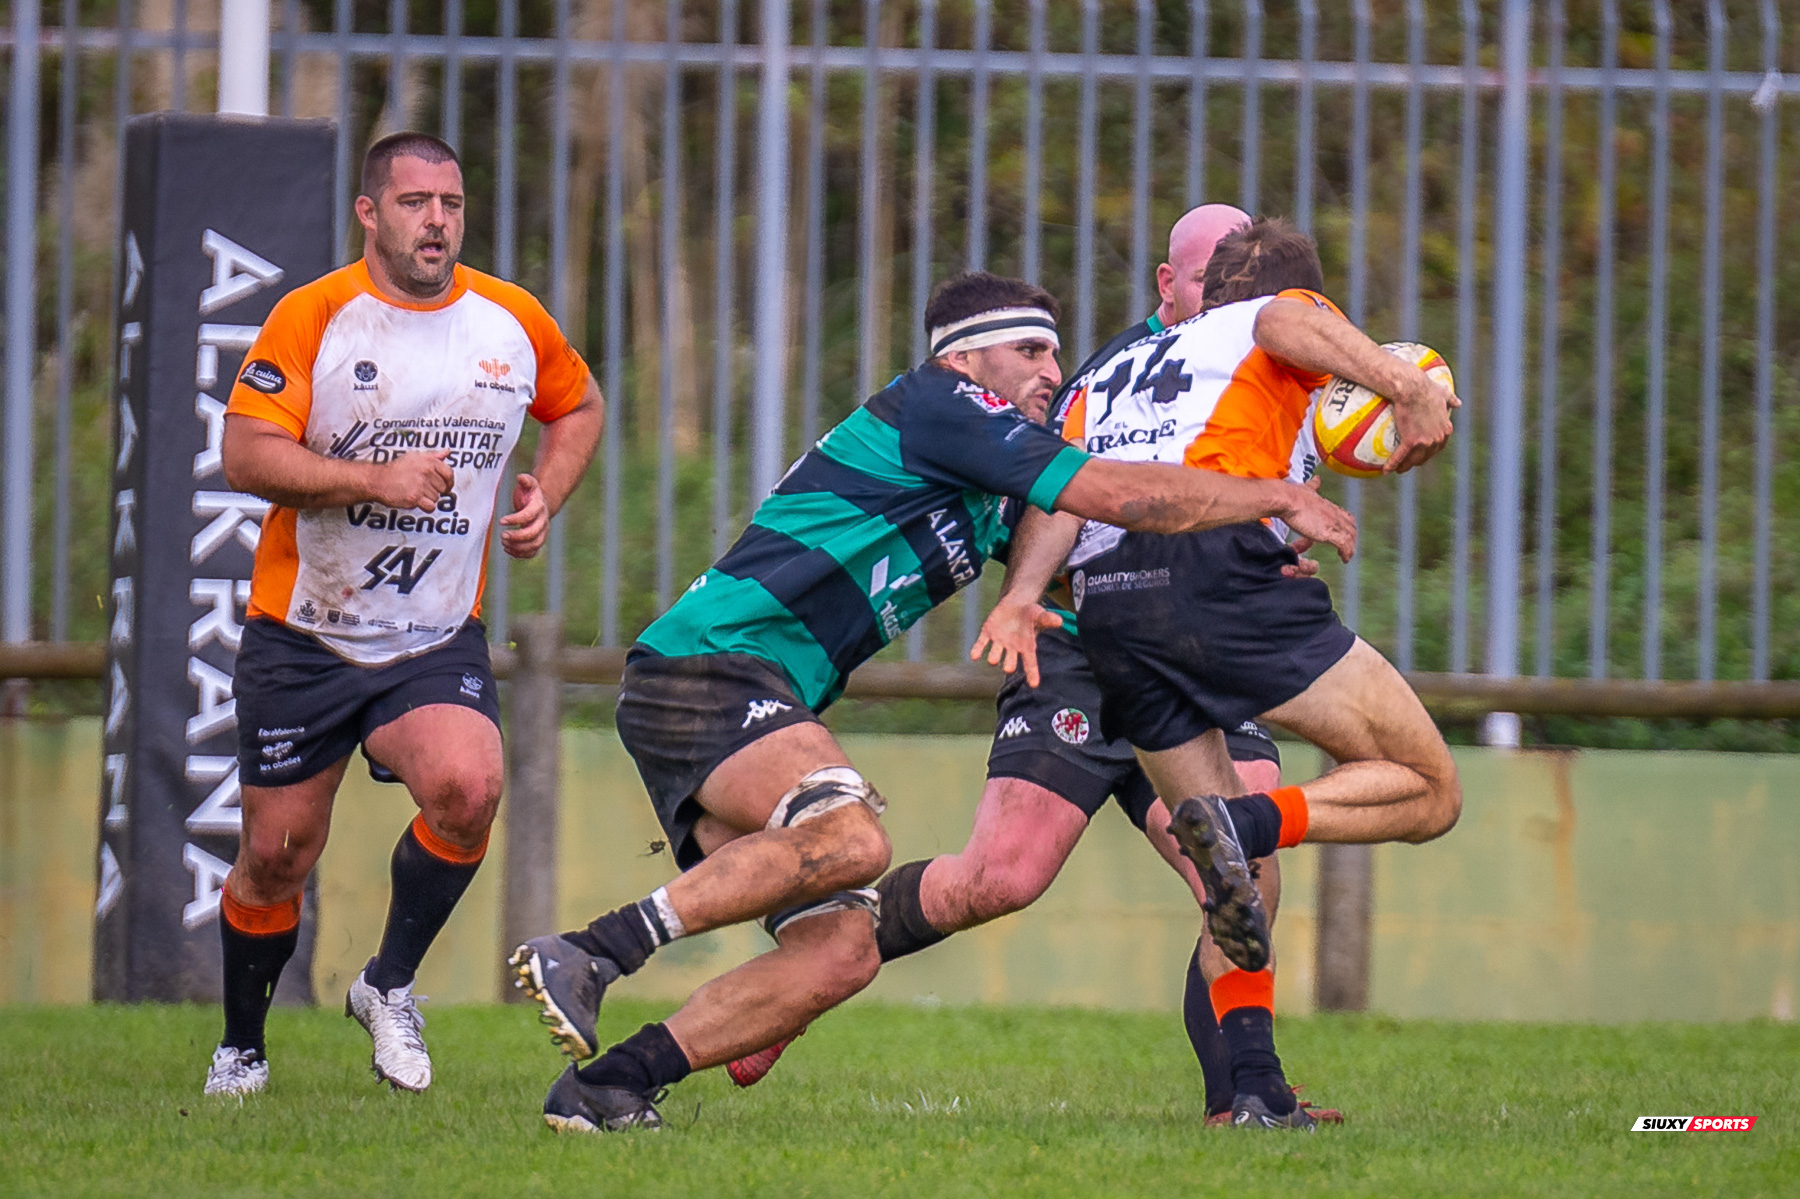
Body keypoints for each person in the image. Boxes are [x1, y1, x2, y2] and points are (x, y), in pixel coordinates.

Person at [508, 270, 1358, 1133]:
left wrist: (1244, 562)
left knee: (838, 954)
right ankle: (590, 950)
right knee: (852, 836)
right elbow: (1106, 490)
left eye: (1056, 352)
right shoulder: (942, 407)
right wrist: (1277, 495)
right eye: (1029, 350)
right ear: (963, 357)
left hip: (749, 691)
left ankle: (610, 1085)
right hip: (712, 662)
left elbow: (1089, 553)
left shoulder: (989, 477)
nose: (1049, 371)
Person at [726, 203, 1341, 1131]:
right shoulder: (1108, 375)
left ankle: (1247, 1093)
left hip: (1187, 648)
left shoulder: (1261, 368)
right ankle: (805, 962)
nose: (1230, 290)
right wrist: (1026, 595)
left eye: (1241, 272)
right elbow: (1062, 497)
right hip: (1082, 648)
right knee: (1000, 878)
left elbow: (1266, 487)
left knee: (1241, 867)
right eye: (1210, 273)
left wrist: (1277, 533)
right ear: (1169, 287)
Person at [984, 217, 1461, 1128]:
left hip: (1109, 606)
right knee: (1430, 790)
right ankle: (1239, 819)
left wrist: (1023, 593)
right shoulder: (1274, 316)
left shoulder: (1110, 371)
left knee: (1227, 893)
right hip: (1216, 581)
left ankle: (1253, 1093)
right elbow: (1286, 321)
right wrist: (1403, 384)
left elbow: (1066, 488)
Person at [203, 131, 604, 1098]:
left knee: (469, 788)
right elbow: (247, 454)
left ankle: (387, 984)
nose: (437, 221)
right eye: (417, 201)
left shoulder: (510, 319)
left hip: (430, 636)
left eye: (452, 204)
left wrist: (545, 491)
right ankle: (243, 1046)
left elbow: (580, 403)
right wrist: (368, 478)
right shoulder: (315, 316)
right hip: (305, 633)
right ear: (370, 213)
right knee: (275, 854)